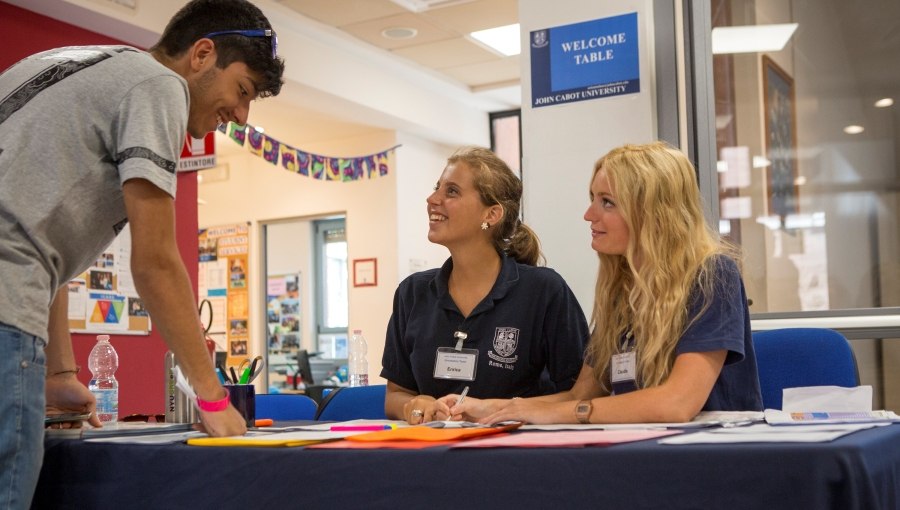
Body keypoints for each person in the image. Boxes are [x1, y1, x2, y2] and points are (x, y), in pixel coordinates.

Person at [0, 0, 284, 506]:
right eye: (242, 91)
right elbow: (154, 261)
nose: (240, 115)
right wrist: (212, 395)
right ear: (201, 54)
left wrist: (61, 377)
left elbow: (39, 240)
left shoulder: (68, 63)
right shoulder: (160, 86)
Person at [444, 142, 763, 425]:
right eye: (593, 199)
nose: (588, 214)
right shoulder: (622, 289)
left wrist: (568, 413)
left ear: (652, 212)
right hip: (641, 451)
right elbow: (579, 395)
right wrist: (493, 408)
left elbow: (677, 403)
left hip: (708, 456)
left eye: (607, 202)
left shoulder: (713, 273)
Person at [381, 147, 589, 425]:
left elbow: (578, 395)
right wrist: (414, 405)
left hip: (519, 454)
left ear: (491, 215)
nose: (432, 199)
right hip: (431, 453)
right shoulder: (412, 292)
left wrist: (498, 409)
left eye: (452, 191)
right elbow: (396, 394)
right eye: (437, 188)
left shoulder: (544, 291)